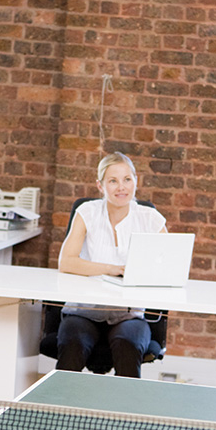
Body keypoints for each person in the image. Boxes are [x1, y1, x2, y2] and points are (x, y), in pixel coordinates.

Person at [56, 152, 166, 377]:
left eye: (127, 179)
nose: (121, 187)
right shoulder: (87, 212)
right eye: (113, 181)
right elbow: (66, 262)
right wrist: (111, 269)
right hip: (84, 312)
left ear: (136, 181)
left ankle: (122, 413)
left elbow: (169, 267)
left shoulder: (150, 218)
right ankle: (59, 411)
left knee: (128, 345)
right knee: (73, 344)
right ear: (100, 185)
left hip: (129, 315)